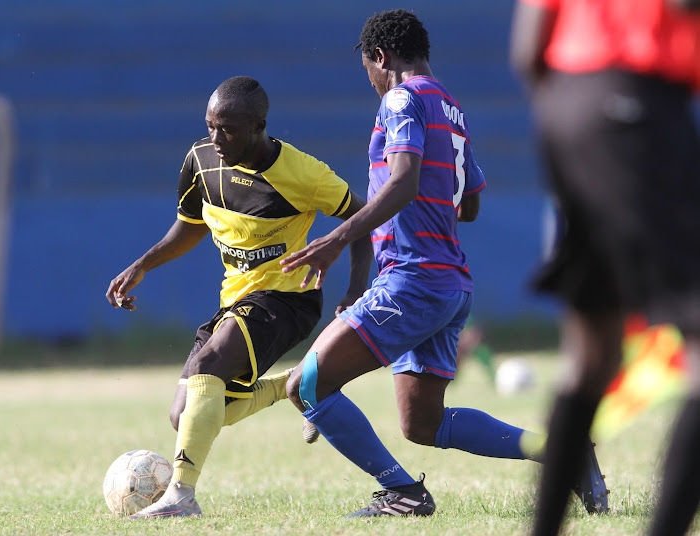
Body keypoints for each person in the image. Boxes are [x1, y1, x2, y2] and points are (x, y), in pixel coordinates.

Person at [282, 9, 606, 518]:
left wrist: (339, 237)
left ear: (381, 57)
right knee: (422, 424)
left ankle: (403, 493)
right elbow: (471, 202)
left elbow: (405, 178)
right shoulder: (450, 106)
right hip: (448, 282)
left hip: (411, 280)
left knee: (304, 385)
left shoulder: (400, 99)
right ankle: (562, 453)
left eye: (367, 66)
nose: (369, 79)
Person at [105, 75, 372, 518]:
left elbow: (362, 221)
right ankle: (296, 384)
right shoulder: (201, 160)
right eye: (210, 125)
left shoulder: (304, 174)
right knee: (187, 414)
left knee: (209, 367)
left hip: (288, 300)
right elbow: (191, 224)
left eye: (227, 128)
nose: (216, 137)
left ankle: (181, 498)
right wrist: (143, 264)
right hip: (236, 301)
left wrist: (354, 293)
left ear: (259, 126)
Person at [510, 0, 700, 534]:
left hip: (568, 112)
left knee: (593, 350)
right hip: (639, 105)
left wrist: (571, 124)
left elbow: (527, 49)